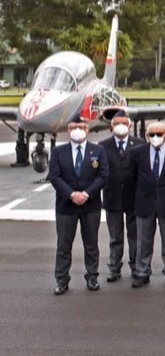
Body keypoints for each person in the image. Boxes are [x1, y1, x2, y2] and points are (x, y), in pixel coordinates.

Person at [48, 115, 108, 295]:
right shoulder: (58, 152)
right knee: (63, 246)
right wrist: (72, 194)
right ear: (68, 130)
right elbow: (55, 177)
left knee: (91, 244)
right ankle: (62, 280)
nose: (77, 129)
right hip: (66, 206)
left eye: (81, 126)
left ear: (87, 129)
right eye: (74, 126)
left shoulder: (98, 150)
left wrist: (87, 194)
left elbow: (103, 176)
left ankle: (92, 277)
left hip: (91, 206)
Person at [128, 121, 165, 287]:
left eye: (159, 134)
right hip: (144, 202)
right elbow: (132, 177)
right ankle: (142, 272)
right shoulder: (137, 153)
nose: (155, 137)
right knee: (143, 241)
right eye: (151, 134)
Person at [98, 110, 141, 283]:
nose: (121, 126)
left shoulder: (139, 143)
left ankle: (136, 267)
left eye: (124, 123)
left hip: (133, 197)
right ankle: (114, 268)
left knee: (134, 235)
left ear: (130, 125)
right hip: (112, 196)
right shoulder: (103, 146)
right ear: (111, 126)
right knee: (115, 236)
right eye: (117, 123)